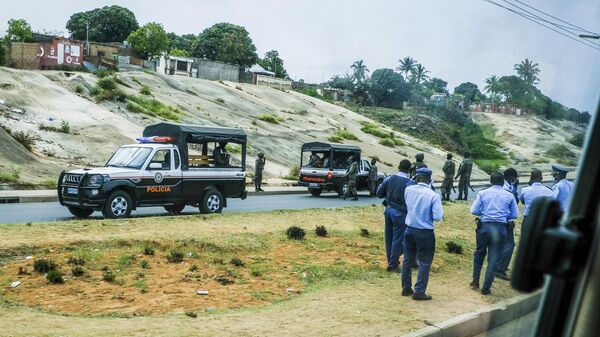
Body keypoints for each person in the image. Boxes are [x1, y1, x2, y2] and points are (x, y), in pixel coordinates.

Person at [470, 172, 519, 295]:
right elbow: (515, 215)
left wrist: (485, 212)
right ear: (503, 182)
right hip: (500, 229)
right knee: (494, 258)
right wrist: (503, 215)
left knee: (479, 253)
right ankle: (486, 288)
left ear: (491, 181)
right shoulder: (508, 195)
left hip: (484, 227)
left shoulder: (482, 193)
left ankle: (475, 280)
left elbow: (474, 210)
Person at [401, 167, 443, 301]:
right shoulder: (433, 195)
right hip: (425, 231)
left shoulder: (408, 190)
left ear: (417, 178)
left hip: (409, 229)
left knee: (407, 259)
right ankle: (419, 291)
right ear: (430, 179)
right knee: (424, 262)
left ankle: (406, 288)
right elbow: (437, 217)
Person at [376, 159, 414, 272]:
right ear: (409, 170)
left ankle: (392, 261)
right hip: (401, 212)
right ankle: (393, 265)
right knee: (398, 239)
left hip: (388, 210)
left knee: (389, 238)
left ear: (398, 167)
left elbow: (379, 193)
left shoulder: (389, 179)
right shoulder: (410, 183)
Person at [495, 167, 519, 281]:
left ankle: (499, 264)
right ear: (512, 177)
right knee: (509, 244)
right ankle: (500, 269)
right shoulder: (507, 189)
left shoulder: (506, 186)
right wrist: (510, 220)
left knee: (502, 244)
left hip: (498, 220)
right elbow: (508, 207)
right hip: (504, 220)